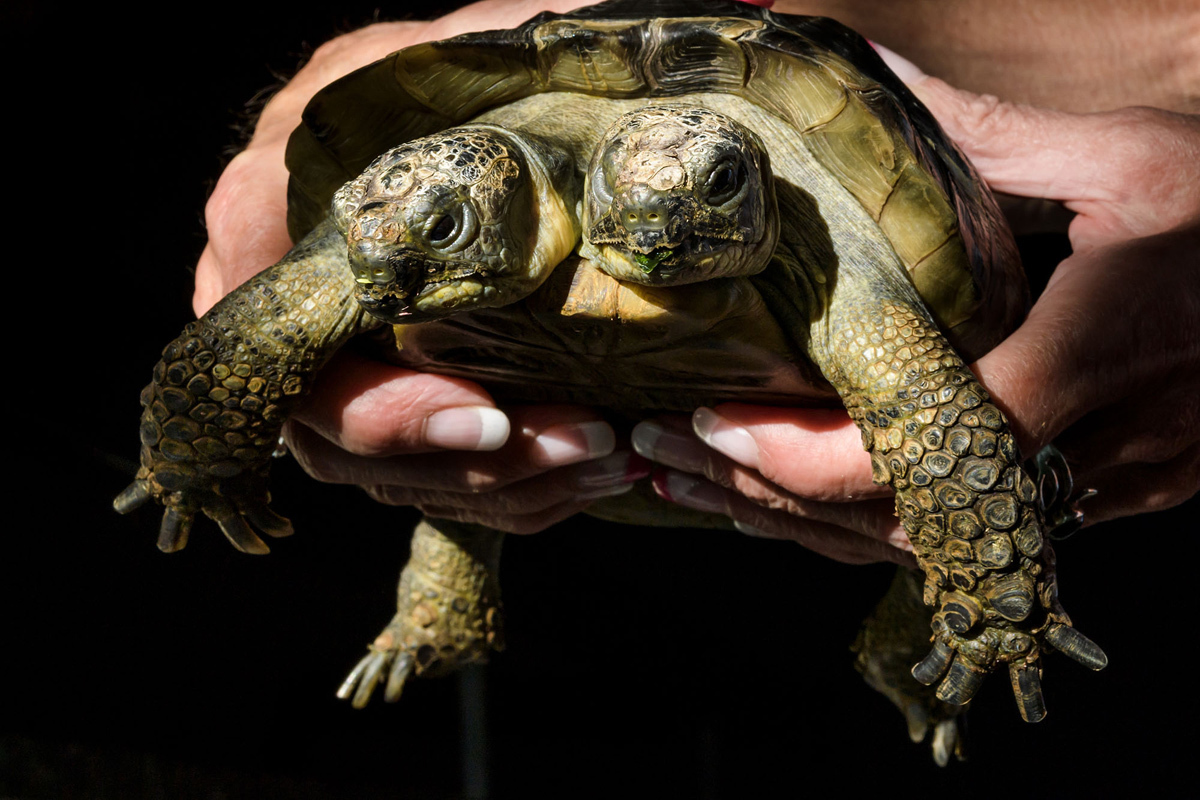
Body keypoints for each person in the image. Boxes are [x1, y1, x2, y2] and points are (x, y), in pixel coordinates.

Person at [193, 0, 1199, 563]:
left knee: (944, 482)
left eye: (718, 187)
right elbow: (273, 313)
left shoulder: (830, 253)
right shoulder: (462, 185)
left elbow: (942, 426)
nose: (660, 223)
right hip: (567, 492)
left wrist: (988, 562)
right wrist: (204, 434)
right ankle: (452, 573)